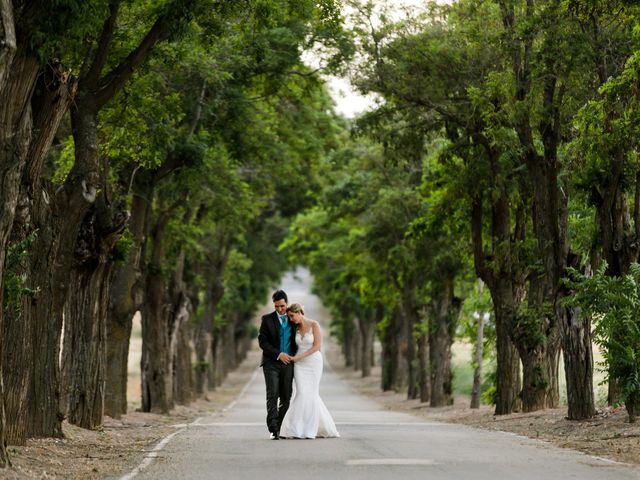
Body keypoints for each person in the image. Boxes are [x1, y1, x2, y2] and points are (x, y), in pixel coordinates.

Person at [279, 303, 339, 439]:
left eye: (292, 316)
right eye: (289, 317)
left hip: (313, 363)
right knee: (301, 393)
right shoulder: (294, 328)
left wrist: (299, 357)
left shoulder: (314, 325)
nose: (291, 319)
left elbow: (317, 346)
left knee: (311, 394)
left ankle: (309, 429)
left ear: (300, 312)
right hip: (299, 366)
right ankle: (296, 428)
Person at [258, 290, 297, 440]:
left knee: (286, 396)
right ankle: (273, 429)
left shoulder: (293, 319)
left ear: (286, 304)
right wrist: (278, 354)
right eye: (276, 306)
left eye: (282, 306)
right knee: (272, 395)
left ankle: (281, 426)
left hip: (289, 363)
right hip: (271, 363)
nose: (280, 309)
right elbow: (263, 342)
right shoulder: (266, 319)